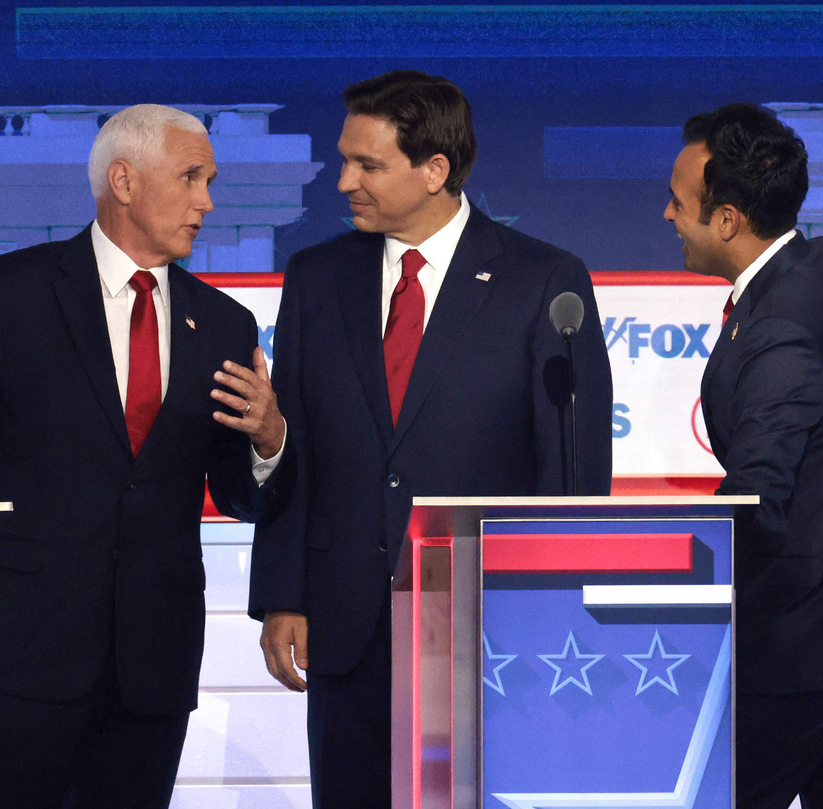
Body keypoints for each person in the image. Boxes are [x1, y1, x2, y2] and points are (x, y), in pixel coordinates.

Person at [0, 104, 285, 809]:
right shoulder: (10, 293)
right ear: (123, 180)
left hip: (155, 658)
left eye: (209, 180)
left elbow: (238, 492)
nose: (207, 200)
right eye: (190, 177)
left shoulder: (223, 324)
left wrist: (270, 440)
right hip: (28, 650)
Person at [249, 70, 612, 809]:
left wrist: (546, 608)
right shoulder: (316, 278)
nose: (343, 180)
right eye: (345, 158)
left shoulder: (543, 279)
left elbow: (570, 465)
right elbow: (299, 441)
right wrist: (282, 593)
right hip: (345, 624)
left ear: (435, 170)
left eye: (368, 165)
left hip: (484, 628)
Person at [665, 103, 823, 809]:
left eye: (678, 201)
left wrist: (671, 569)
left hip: (803, 649)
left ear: (727, 218)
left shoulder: (778, 327)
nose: (666, 214)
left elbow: (760, 493)